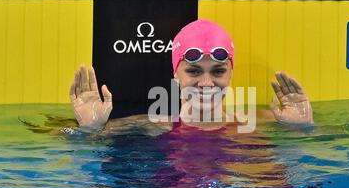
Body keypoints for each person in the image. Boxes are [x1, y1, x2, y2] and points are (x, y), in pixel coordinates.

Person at [69, 19, 314, 134]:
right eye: (194, 71)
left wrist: (303, 128)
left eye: (218, 71)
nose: (206, 83)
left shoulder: (262, 122)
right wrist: (90, 129)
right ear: (175, 73)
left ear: (231, 73)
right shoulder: (147, 125)